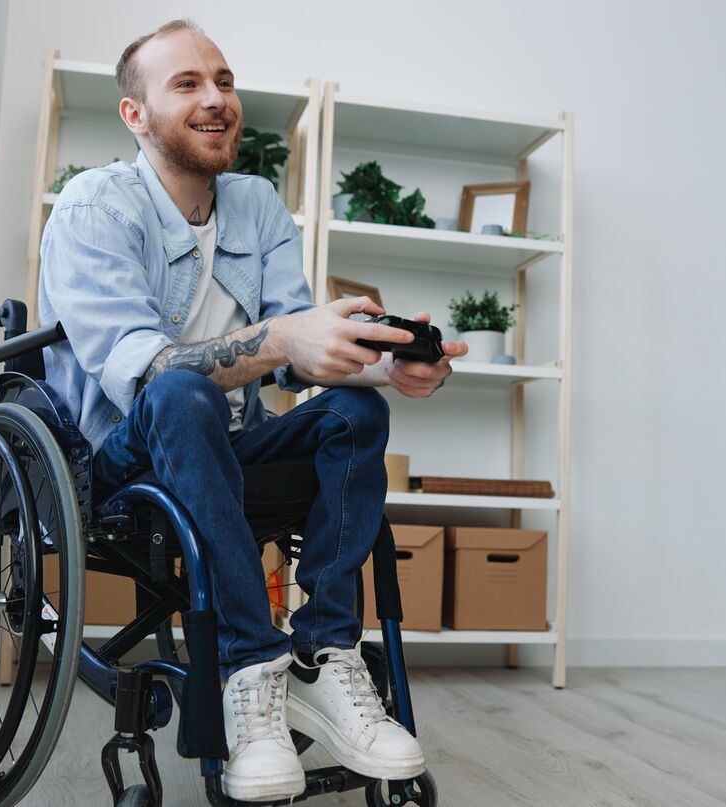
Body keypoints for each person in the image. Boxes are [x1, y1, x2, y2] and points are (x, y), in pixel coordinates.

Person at [39, 18, 467, 802]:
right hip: (123, 456)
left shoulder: (256, 203)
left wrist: (388, 362)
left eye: (225, 82)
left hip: (232, 447)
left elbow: (298, 351)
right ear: (136, 115)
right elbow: (143, 372)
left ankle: (323, 657)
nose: (217, 100)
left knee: (353, 415)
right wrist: (284, 338)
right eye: (188, 84)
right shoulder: (93, 208)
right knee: (179, 390)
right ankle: (251, 663)